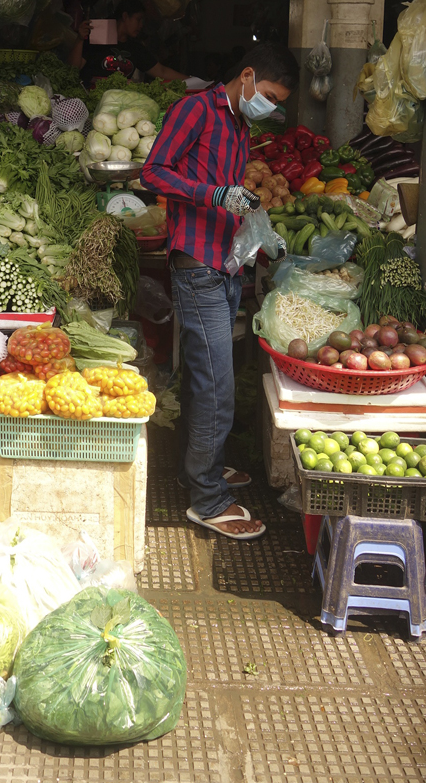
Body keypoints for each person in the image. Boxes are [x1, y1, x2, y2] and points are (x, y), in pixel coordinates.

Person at [140, 43, 299, 542]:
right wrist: (214, 195)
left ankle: (198, 469)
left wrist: (255, 225)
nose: (269, 107)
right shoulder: (195, 110)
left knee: (205, 379)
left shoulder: (239, 124)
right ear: (247, 77)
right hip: (197, 266)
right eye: (268, 96)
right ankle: (207, 500)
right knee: (217, 386)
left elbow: (227, 189)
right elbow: (153, 172)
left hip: (225, 265)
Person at [68, 0, 187, 87]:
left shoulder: (136, 48)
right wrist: (80, 39)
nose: (141, 25)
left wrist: (192, 80)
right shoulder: (96, 39)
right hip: (90, 99)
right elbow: (73, 69)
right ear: (125, 16)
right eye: (138, 19)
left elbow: (161, 71)